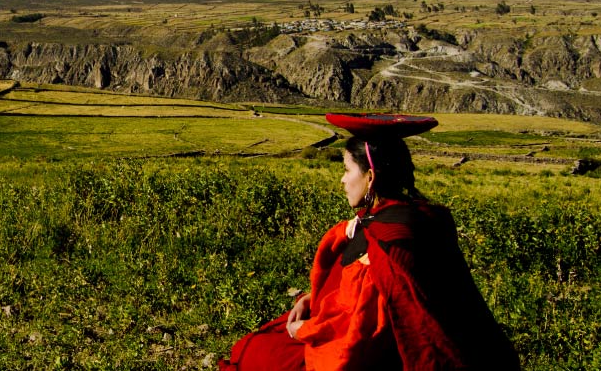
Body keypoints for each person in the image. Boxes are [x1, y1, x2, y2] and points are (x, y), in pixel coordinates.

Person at [220, 113, 519, 370]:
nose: (342, 180)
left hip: (380, 354)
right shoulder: (423, 218)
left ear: (371, 177)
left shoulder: (388, 239)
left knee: (254, 352)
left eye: (347, 170)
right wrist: (314, 299)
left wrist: (307, 331)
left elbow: (361, 329)